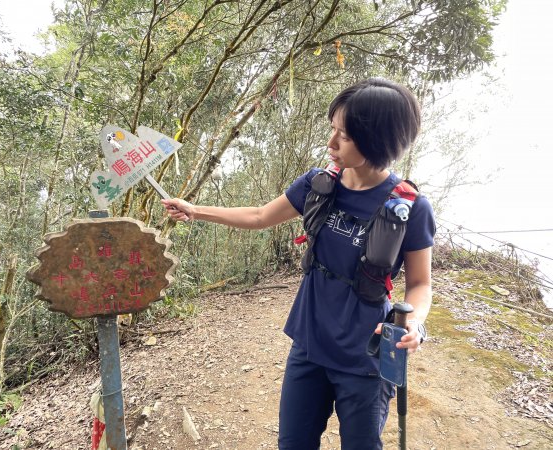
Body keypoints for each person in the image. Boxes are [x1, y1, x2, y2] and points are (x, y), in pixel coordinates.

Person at [161, 77, 435, 450]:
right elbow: (259, 216)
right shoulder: (318, 184)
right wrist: (196, 211)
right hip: (309, 345)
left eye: (345, 136)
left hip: (367, 358)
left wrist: (415, 322)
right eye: (332, 129)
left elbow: (420, 283)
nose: (331, 143)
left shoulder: (410, 208)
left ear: (379, 141)